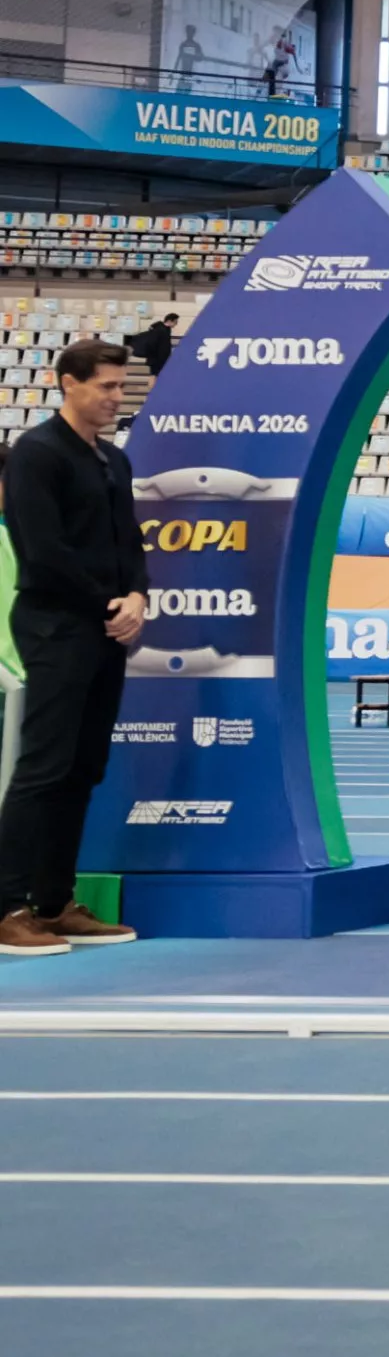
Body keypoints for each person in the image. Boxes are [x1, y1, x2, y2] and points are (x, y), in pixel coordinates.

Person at [0, 339, 145, 955]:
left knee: (84, 768)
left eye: (120, 386)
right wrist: (106, 606)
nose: (117, 398)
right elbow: (43, 552)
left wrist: (136, 596)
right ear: (67, 384)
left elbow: (129, 541)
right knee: (44, 768)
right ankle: (8, 907)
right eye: (106, 387)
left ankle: (54, 903)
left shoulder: (113, 461)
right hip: (57, 626)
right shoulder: (35, 455)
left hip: (105, 628)